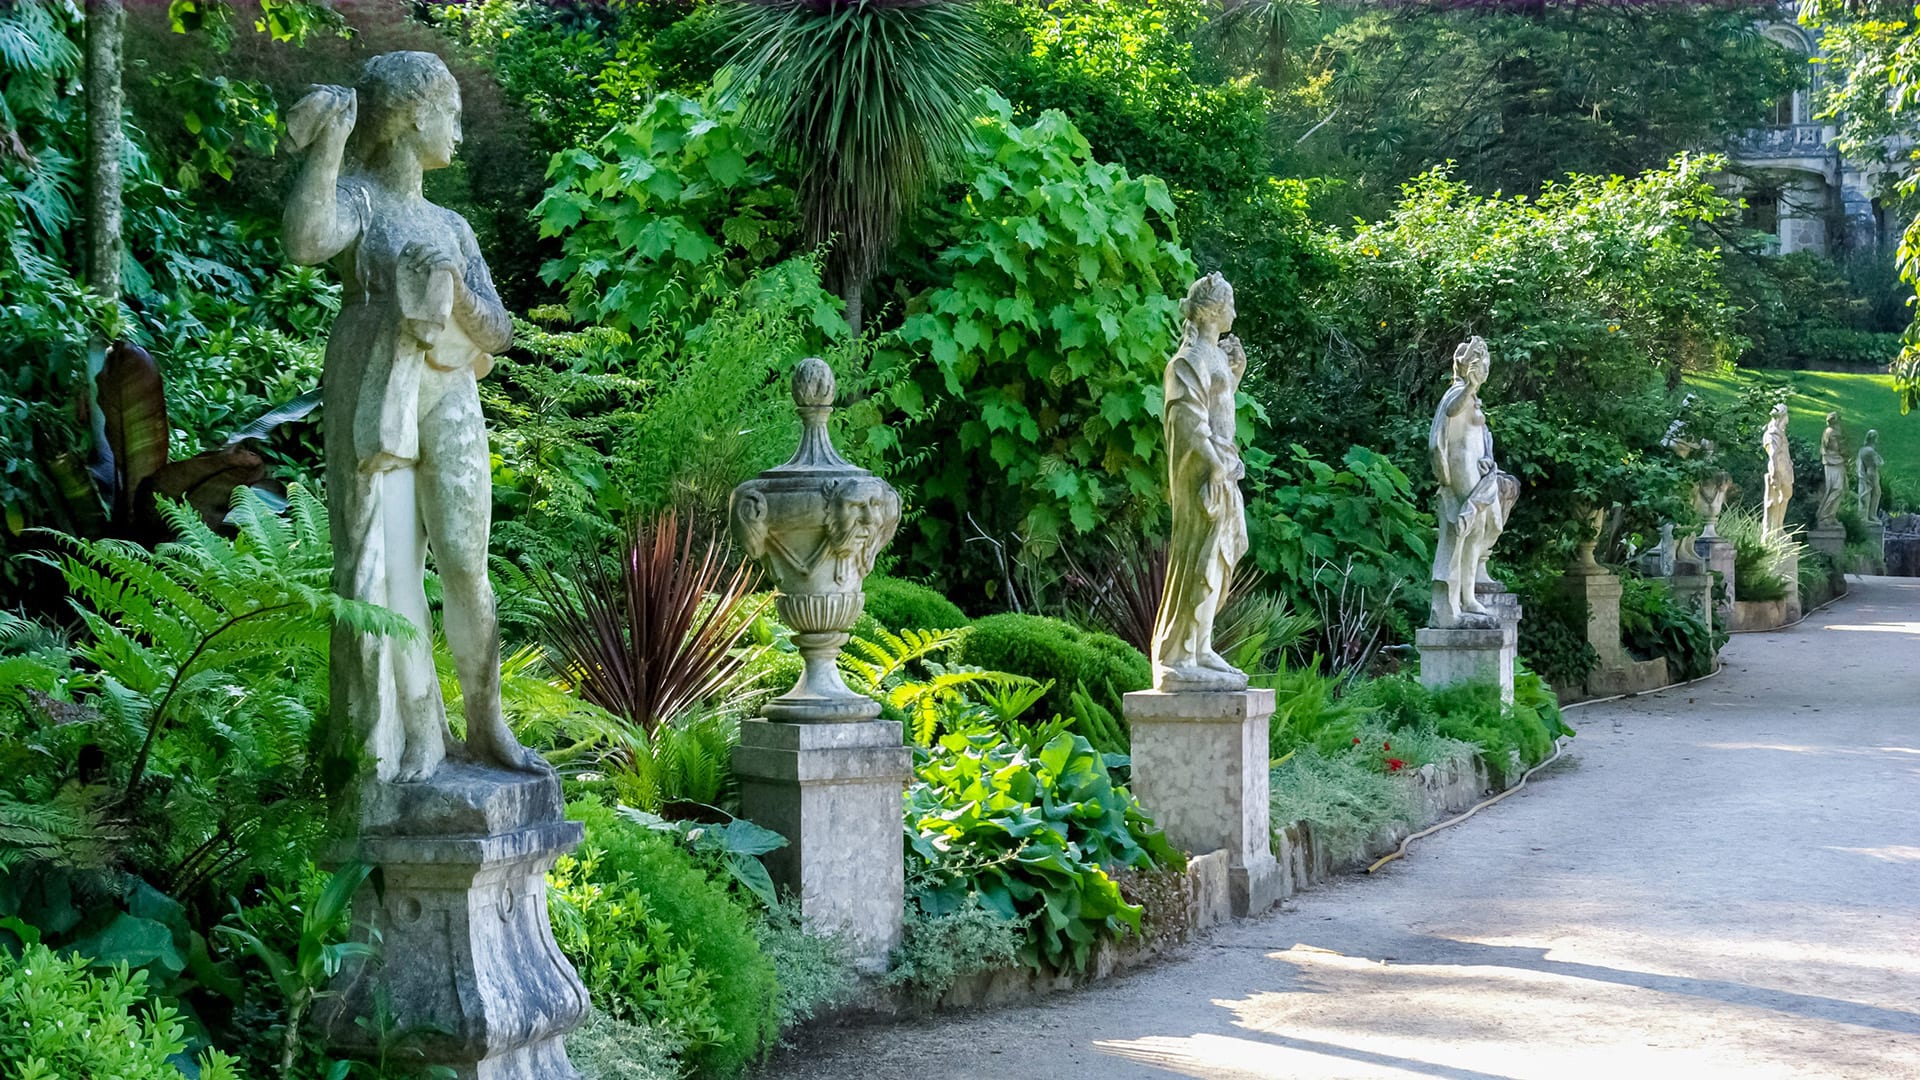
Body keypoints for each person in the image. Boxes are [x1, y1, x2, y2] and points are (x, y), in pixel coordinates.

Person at [284, 52, 544, 784]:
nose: (458, 130)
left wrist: (454, 292)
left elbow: (500, 331)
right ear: (411, 117)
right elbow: (305, 241)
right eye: (450, 113)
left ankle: (487, 723)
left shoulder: (452, 225)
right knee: (390, 565)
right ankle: (413, 734)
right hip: (374, 379)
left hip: (449, 384)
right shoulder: (361, 200)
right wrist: (329, 145)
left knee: (466, 563)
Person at [1151, 273, 1249, 690]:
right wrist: (1212, 464)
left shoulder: (1213, 356)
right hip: (1204, 476)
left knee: (1224, 555)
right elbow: (1189, 420)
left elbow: (1218, 406)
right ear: (1210, 312)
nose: (1234, 314)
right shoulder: (1187, 360)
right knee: (1203, 556)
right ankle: (1180, 653)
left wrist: (1235, 374)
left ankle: (1201, 645)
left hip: (1223, 468)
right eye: (1229, 305)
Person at [1429, 337, 1512, 627]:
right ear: (1467, 366)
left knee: (1478, 531)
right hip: (1461, 472)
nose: (1485, 368)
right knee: (1465, 529)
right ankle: (1452, 605)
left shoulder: (1473, 398)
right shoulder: (1458, 393)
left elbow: (1479, 436)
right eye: (1481, 362)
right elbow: (1451, 411)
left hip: (1477, 472)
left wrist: (1487, 457)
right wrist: (1468, 386)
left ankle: (1468, 597)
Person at [1762, 404, 1794, 541]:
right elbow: (1773, 454)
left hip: (1784, 468)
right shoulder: (1773, 434)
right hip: (1779, 469)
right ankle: (1773, 529)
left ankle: (1779, 527)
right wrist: (1775, 473)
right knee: (1779, 497)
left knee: (1786, 496)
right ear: (1782, 417)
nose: (1787, 419)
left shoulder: (1779, 432)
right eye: (1786, 416)